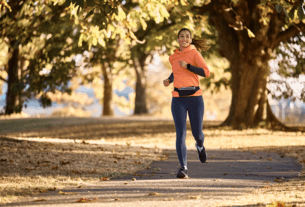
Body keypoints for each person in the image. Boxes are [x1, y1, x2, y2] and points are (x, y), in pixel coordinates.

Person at [163, 28, 210, 179]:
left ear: (190, 39)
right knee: (181, 133)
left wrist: (188, 66)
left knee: (197, 133)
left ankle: (200, 146)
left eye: (187, 36)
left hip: (195, 98)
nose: (184, 38)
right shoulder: (173, 56)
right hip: (178, 98)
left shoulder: (195, 53)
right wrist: (169, 80)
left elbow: (206, 72)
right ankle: (183, 168)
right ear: (178, 39)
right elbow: (176, 72)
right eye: (181, 36)